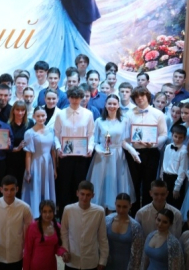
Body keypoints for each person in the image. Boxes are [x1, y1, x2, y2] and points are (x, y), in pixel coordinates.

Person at [88, 93, 136, 211]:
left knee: (115, 181)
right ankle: (99, 211)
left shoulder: (124, 121)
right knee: (101, 182)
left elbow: (124, 141)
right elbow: (95, 140)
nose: (112, 106)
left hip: (117, 155)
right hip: (102, 156)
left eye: (114, 104)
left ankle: (114, 211)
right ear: (105, 105)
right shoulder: (99, 121)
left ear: (118, 105)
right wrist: (99, 150)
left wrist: (133, 151)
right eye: (109, 103)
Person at [124, 86, 168, 213]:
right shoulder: (128, 114)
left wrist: (153, 144)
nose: (139, 98)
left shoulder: (158, 114)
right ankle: (134, 213)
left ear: (147, 96)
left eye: (142, 95)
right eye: (136, 97)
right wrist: (131, 146)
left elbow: (164, 135)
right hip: (134, 153)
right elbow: (125, 137)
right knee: (134, 184)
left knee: (149, 184)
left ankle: (148, 212)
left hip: (151, 153)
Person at [53, 87, 95, 216]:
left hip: (81, 156)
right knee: (65, 186)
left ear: (81, 98)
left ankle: (79, 214)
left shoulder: (88, 114)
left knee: (79, 185)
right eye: (72, 97)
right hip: (65, 156)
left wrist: (90, 148)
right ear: (68, 98)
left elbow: (91, 134)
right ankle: (64, 215)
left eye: (78, 98)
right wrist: (58, 148)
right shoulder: (60, 114)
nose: (75, 100)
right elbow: (56, 134)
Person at [22, 106, 57, 217]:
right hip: (36, 164)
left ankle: (48, 214)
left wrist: (55, 169)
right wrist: (28, 172)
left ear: (46, 116)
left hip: (48, 164)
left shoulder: (51, 131)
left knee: (47, 188)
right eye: (38, 116)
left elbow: (52, 151)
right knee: (35, 189)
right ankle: (35, 215)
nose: (41, 118)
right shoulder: (29, 133)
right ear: (34, 117)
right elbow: (28, 154)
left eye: (43, 116)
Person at [5, 100, 34, 195]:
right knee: (13, 184)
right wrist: (17, 148)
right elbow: (5, 146)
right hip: (12, 160)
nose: (20, 113)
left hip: (27, 159)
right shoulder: (7, 125)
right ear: (13, 111)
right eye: (17, 110)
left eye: (22, 110)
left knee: (25, 185)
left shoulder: (30, 123)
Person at [158, 123, 187, 208]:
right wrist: (161, 177)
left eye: (180, 137)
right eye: (175, 136)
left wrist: (177, 187)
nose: (177, 139)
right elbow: (164, 163)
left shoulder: (184, 151)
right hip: (165, 177)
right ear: (172, 135)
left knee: (175, 203)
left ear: (184, 138)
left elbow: (182, 170)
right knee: (165, 202)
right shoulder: (167, 147)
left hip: (176, 179)